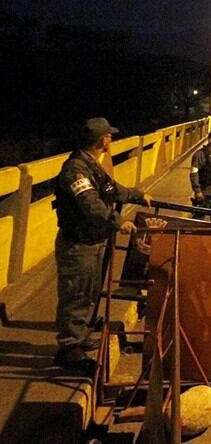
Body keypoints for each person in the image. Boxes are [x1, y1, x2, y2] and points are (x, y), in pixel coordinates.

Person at [53, 117, 152, 369]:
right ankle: (68, 349)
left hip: (94, 241)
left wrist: (138, 196)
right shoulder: (75, 169)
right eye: (109, 136)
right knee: (76, 292)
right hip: (79, 244)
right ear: (102, 140)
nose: (111, 139)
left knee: (89, 291)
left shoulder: (92, 165)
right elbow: (90, 204)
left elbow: (112, 190)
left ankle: (81, 336)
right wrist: (117, 221)